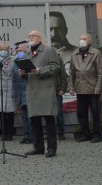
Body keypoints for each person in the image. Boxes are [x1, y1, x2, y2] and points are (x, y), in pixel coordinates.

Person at [20, 30, 60, 158]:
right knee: (34, 121)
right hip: (32, 90)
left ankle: (52, 148)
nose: (30, 37)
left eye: (33, 35)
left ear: (39, 38)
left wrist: (40, 70)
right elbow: (25, 71)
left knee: (49, 121)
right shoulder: (27, 53)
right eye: (29, 35)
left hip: (45, 90)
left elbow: (55, 66)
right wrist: (22, 74)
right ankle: (38, 147)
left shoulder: (49, 50)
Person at [68, 33, 102, 143]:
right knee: (81, 113)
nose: (81, 40)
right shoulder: (74, 54)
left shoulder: (96, 53)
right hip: (80, 88)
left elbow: (100, 72)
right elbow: (71, 72)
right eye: (80, 38)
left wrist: (98, 88)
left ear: (89, 41)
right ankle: (85, 134)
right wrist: (71, 87)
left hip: (92, 89)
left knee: (95, 113)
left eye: (84, 38)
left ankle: (97, 134)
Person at [12, 43, 32, 144]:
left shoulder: (29, 61)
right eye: (19, 51)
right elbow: (14, 79)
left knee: (30, 116)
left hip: (28, 92)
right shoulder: (15, 63)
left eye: (22, 51)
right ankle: (26, 135)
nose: (20, 53)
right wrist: (14, 93)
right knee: (24, 115)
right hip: (20, 93)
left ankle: (31, 136)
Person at [49, 11, 78, 75]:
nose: (54, 34)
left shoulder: (77, 52)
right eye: (50, 29)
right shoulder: (43, 53)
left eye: (58, 29)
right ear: (45, 31)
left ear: (66, 30)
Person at [52, 44, 68, 140]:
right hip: (46, 91)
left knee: (58, 113)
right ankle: (51, 133)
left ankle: (61, 132)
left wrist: (63, 88)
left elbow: (63, 75)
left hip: (57, 90)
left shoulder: (58, 59)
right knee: (48, 114)